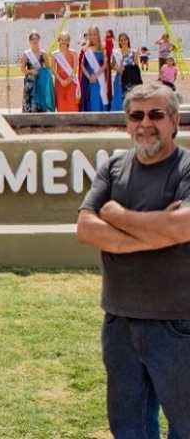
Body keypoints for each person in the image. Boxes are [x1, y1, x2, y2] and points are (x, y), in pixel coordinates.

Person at [76, 81, 190, 439]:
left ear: (175, 121)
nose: (145, 123)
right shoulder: (113, 167)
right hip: (119, 321)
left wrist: (117, 216)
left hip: (177, 323)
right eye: (136, 116)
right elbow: (86, 227)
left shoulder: (186, 168)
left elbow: (184, 225)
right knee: (128, 427)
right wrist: (158, 234)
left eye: (156, 114)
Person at [20, 30, 55, 113]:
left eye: (36, 39)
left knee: (40, 104)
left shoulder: (43, 53)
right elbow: (22, 69)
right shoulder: (26, 54)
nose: (34, 41)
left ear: (39, 40)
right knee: (29, 103)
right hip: (30, 83)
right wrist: (31, 71)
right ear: (29, 41)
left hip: (40, 82)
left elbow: (48, 68)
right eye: (32, 39)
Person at [79, 26, 108, 112]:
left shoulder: (103, 47)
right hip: (88, 79)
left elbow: (105, 65)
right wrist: (89, 77)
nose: (92, 36)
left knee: (99, 98)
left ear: (98, 35)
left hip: (99, 78)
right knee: (90, 99)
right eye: (90, 34)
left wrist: (96, 75)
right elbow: (82, 65)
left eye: (94, 34)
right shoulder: (85, 48)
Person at [112, 32, 142, 112]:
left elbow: (136, 65)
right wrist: (118, 69)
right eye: (121, 40)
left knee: (131, 96)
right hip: (120, 77)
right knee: (120, 96)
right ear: (119, 42)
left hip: (131, 77)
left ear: (128, 40)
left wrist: (136, 56)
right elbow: (112, 65)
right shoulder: (116, 52)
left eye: (125, 39)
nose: (123, 41)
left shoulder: (133, 51)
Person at [53, 31, 80, 113]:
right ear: (59, 40)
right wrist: (61, 81)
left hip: (71, 81)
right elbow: (53, 70)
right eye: (62, 39)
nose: (64, 42)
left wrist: (67, 81)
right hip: (59, 82)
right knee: (61, 104)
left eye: (66, 39)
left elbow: (75, 70)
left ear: (69, 41)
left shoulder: (74, 53)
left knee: (72, 104)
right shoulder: (55, 54)